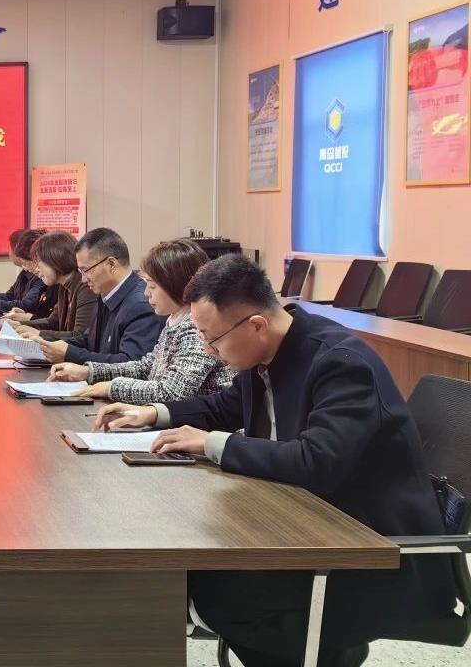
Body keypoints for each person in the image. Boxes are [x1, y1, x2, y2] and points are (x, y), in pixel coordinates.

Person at [96, 255, 455, 667]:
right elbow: (224, 406)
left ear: (256, 325)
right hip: (308, 526)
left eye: (213, 339)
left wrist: (213, 443)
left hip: (371, 551)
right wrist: (155, 414)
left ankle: (330, 650)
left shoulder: (340, 362)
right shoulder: (264, 354)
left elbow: (316, 460)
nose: (211, 352)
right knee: (193, 577)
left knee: (214, 592)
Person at [49, 239, 234, 403]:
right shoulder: (175, 319)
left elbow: (172, 392)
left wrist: (111, 388)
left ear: (177, 284)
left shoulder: (195, 327)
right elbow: (146, 366)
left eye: (152, 286)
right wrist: (89, 372)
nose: (146, 293)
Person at [32, 228, 163, 365]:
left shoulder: (140, 304)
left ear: (111, 264)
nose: (83, 279)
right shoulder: (105, 293)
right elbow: (89, 340)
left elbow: (130, 364)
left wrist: (68, 353)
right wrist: (48, 343)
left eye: (86, 271)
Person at [7, 231, 98, 342]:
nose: (36, 269)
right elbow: (53, 321)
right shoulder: (63, 286)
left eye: (39, 262)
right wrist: (19, 325)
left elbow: (79, 336)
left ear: (55, 260)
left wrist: (39, 333)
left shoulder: (85, 286)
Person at [0, 229, 53, 317]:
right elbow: (10, 296)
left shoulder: (42, 277)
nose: (27, 267)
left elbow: (26, 306)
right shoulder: (26, 273)